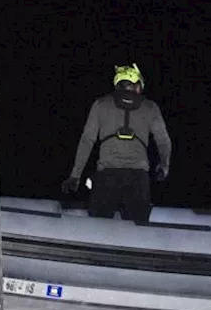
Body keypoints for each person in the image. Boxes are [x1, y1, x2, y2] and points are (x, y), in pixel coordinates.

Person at [62, 63, 172, 222]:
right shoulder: (151, 107)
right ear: (137, 85)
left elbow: (87, 140)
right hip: (138, 178)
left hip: (106, 175)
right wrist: (164, 165)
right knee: (139, 230)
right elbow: (163, 141)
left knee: (98, 227)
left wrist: (75, 175)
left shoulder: (100, 104)